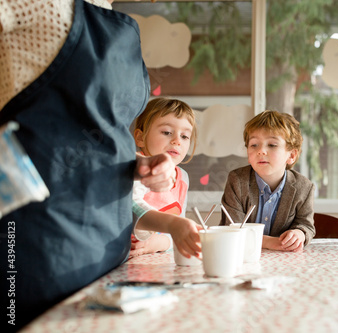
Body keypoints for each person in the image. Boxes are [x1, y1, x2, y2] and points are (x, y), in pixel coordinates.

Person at [0, 0, 199, 329]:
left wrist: (137, 164)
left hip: (108, 243)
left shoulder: (117, 22)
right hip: (41, 235)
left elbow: (95, 134)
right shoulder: (38, 4)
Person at [220, 110, 315, 252]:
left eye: (272, 145)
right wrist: (272, 242)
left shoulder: (304, 187)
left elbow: (306, 225)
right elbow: (233, 229)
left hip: (284, 263)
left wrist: (299, 233)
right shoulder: (237, 180)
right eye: (254, 145)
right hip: (241, 257)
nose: (261, 151)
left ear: (292, 155)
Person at [130, 97, 200, 258]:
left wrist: (159, 243)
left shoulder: (183, 178)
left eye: (184, 136)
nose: (177, 141)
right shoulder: (137, 167)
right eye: (167, 132)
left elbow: (176, 232)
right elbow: (132, 210)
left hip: (157, 259)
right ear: (140, 137)